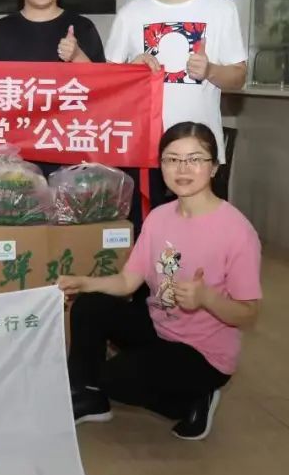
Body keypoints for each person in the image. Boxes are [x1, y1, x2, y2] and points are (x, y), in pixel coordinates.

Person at [60, 121, 261, 441]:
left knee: (115, 378)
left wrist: (206, 298)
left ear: (214, 167)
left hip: (202, 355)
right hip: (161, 328)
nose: (183, 169)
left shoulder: (237, 231)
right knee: (90, 305)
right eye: (172, 159)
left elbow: (248, 313)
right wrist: (85, 283)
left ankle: (193, 400)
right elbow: (128, 281)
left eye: (194, 159)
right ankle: (89, 399)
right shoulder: (158, 217)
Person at [105, 0, 247, 232]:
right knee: (149, 236)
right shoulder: (131, 15)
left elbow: (238, 77)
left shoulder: (220, 8)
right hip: (145, 152)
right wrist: (131, 72)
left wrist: (210, 70)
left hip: (199, 151)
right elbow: (108, 86)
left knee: (202, 237)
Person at [0, 0, 106, 178]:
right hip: (14, 161)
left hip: (71, 155)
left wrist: (77, 56)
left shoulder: (83, 27)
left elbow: (105, 93)